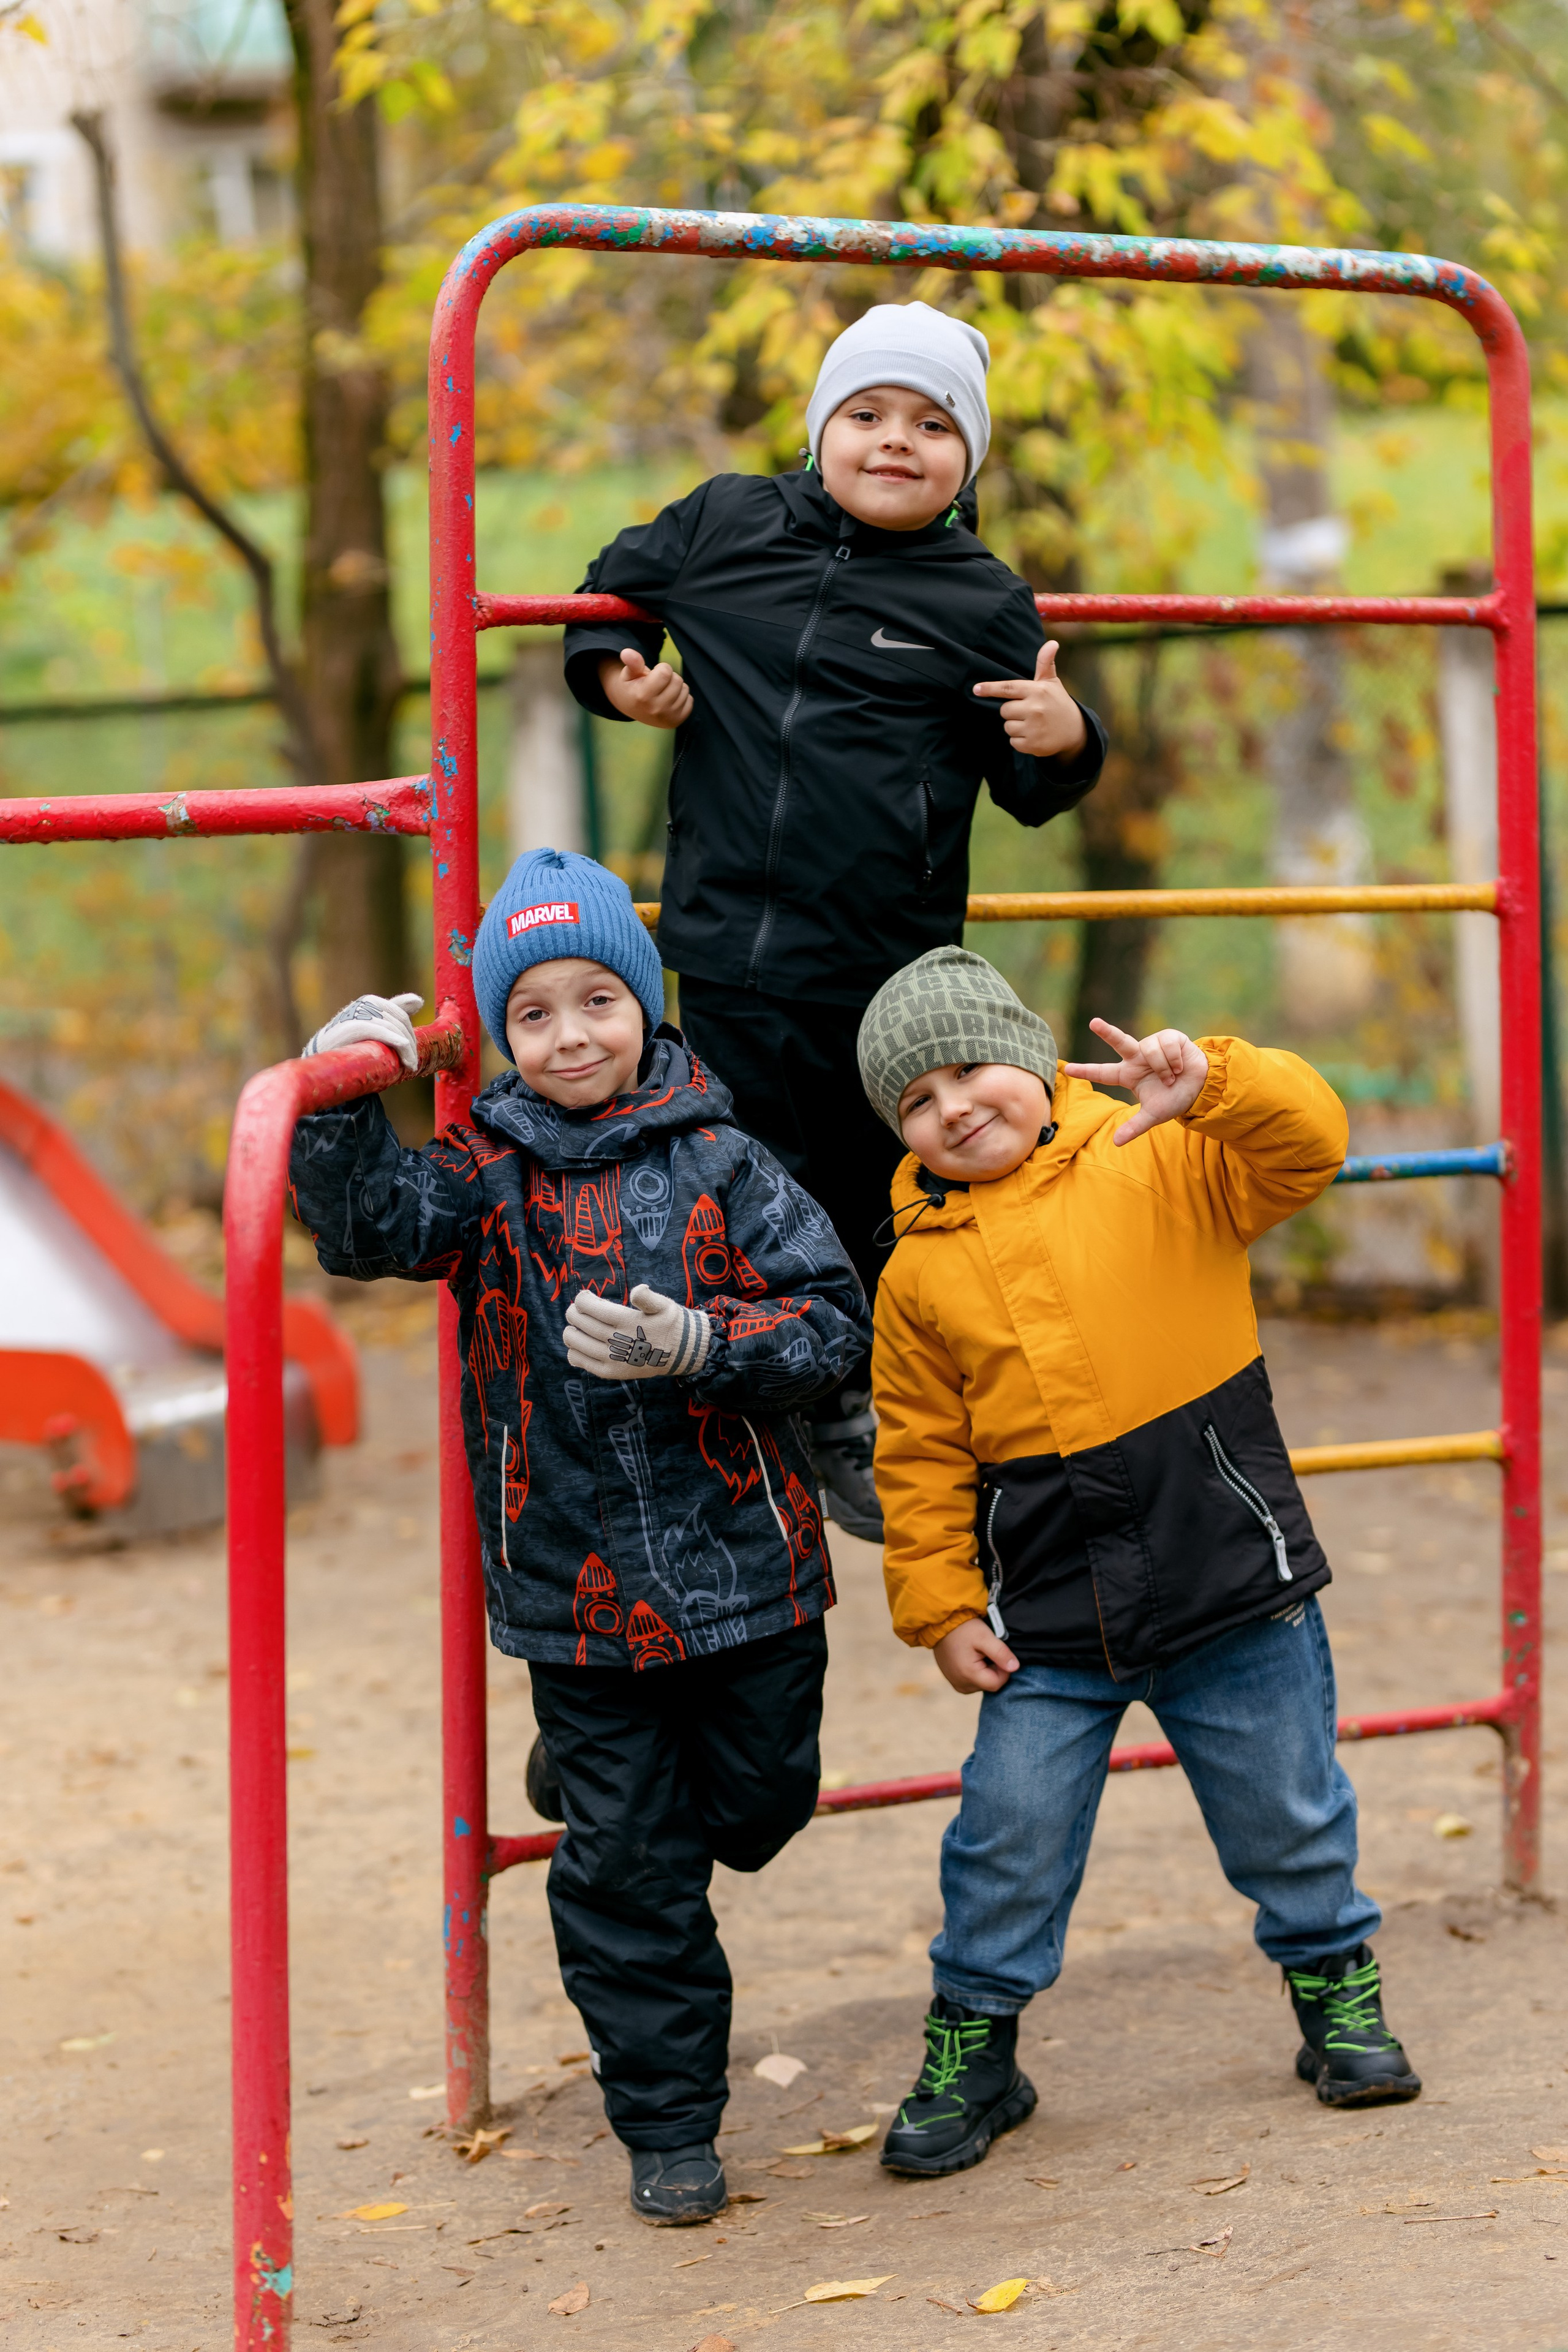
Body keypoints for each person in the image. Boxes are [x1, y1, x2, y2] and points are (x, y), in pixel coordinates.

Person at [287, 847, 872, 2226]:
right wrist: (341, 1091)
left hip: (751, 1576)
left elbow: (830, 1324)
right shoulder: (479, 1171)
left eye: (593, 1000)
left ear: (643, 1006)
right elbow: (365, 1229)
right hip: (576, 1594)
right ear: (501, 1032)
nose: (568, 1035)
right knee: (628, 1868)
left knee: (760, 1807)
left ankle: (641, 1786)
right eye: (532, 1012)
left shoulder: (725, 1157)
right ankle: (669, 2126)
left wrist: (699, 1343)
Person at [853, 946, 1420, 2179]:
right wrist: (940, 1605)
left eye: (967, 1069)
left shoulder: (1159, 1156)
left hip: (1225, 1569)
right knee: (1007, 1829)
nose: (952, 1106)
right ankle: (976, 2043)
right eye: (915, 1099)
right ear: (899, 1133)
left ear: (1027, 1055)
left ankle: (1333, 1987)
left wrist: (1211, 1079)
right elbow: (916, 1457)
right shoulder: (914, 1275)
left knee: (1285, 1803)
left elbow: (1307, 1143)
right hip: (1053, 1608)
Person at [562, 301, 1107, 1541]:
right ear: (820, 432)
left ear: (966, 462)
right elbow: (607, 594)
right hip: (725, 941)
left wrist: (1065, 741)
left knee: (877, 1186)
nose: (895, 440)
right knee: (745, 1172)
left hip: (880, 954)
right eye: (866, 414)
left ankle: (873, 1404)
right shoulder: (723, 525)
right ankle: (772, 1396)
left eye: (932, 425)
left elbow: (1032, 781)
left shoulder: (979, 597)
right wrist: (618, 676)